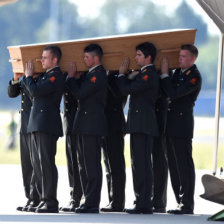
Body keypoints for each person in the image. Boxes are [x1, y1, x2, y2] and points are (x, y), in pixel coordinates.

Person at [116, 42, 159, 214]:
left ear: (148, 57)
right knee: (138, 163)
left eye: (139, 55)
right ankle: (141, 200)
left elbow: (127, 89)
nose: (136, 58)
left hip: (143, 124)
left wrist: (121, 76)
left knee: (142, 164)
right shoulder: (142, 74)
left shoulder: (148, 75)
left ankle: (144, 202)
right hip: (138, 124)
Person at [22, 45, 65, 213]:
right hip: (37, 123)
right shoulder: (45, 76)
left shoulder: (55, 76)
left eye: (45, 57)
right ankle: (42, 198)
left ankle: (50, 201)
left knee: (46, 163)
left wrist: (27, 77)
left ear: (55, 60)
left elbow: (36, 91)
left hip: (46, 124)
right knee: (38, 164)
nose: (42, 60)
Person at [160, 44, 202, 214]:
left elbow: (173, 92)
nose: (179, 59)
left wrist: (164, 75)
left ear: (192, 59)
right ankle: (180, 201)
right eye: (179, 56)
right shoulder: (178, 73)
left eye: (183, 56)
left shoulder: (194, 77)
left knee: (183, 164)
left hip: (182, 125)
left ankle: (187, 204)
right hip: (171, 124)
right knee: (173, 164)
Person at [67, 43, 107, 213]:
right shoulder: (90, 74)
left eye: (86, 57)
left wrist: (70, 78)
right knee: (83, 164)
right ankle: (86, 199)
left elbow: (81, 93)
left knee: (91, 165)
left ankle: (92, 202)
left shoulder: (97, 74)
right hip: (84, 124)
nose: (84, 60)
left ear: (96, 58)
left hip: (92, 125)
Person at [8, 73, 39, 211]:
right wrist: (16, 78)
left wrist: (29, 77)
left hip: (36, 125)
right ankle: (30, 198)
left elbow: (34, 94)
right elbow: (12, 93)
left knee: (36, 164)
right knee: (26, 165)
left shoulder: (40, 80)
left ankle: (37, 197)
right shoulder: (28, 79)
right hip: (25, 125)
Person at [100, 71, 127, 212]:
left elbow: (119, 94)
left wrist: (110, 76)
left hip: (115, 126)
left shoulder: (120, 77)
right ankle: (112, 199)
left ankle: (118, 201)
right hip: (104, 125)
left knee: (116, 165)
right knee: (108, 166)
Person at [59, 76, 83, 212]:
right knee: (71, 162)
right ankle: (74, 196)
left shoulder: (80, 78)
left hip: (79, 123)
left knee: (79, 162)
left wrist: (71, 78)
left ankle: (79, 197)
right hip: (69, 123)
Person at [152, 88, 169, 213]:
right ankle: (153, 197)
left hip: (160, 118)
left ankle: (159, 200)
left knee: (159, 160)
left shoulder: (165, 75)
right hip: (150, 118)